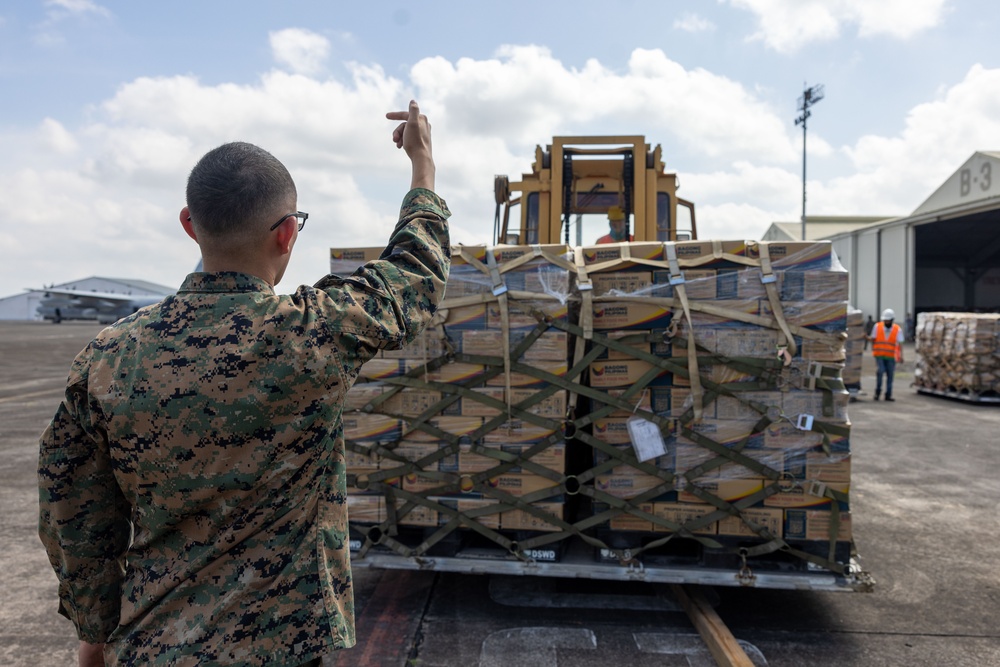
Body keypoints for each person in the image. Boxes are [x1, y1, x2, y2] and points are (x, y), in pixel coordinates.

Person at [37, 100, 450, 666]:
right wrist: (422, 166)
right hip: (281, 648)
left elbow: (72, 510)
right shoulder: (315, 332)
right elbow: (414, 275)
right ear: (287, 233)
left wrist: (94, 630)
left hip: (152, 643)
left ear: (189, 225)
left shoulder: (107, 357)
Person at [868, 308, 904, 401]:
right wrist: (867, 339)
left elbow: (900, 343)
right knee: (880, 372)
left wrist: (901, 356)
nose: (886, 322)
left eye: (888, 320)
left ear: (892, 320)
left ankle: (888, 394)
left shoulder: (897, 329)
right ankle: (877, 392)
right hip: (879, 355)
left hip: (891, 356)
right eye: (885, 320)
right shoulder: (877, 326)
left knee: (890, 375)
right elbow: (873, 338)